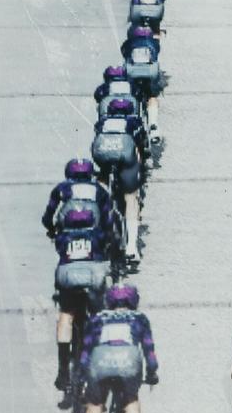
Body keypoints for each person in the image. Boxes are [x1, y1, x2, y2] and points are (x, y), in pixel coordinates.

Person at [79, 284, 159, 413]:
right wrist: (152, 373)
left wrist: (82, 376)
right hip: (128, 362)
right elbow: (149, 350)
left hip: (101, 362)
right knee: (131, 401)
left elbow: (86, 351)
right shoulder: (139, 318)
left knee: (94, 405)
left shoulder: (97, 318)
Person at [52, 209, 111, 390]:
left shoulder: (63, 237)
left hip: (68, 279)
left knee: (66, 315)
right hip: (92, 279)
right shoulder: (97, 234)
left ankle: (63, 370)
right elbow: (108, 245)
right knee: (99, 314)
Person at [91, 101, 147, 262]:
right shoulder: (133, 121)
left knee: (102, 177)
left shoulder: (102, 122)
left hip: (102, 153)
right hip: (124, 153)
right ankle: (131, 247)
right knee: (131, 197)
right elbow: (140, 147)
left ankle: (101, 194)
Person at [42, 158, 114, 238]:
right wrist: (107, 233)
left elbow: (48, 214)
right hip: (93, 232)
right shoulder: (99, 189)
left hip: (66, 232)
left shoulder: (62, 187)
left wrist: (51, 228)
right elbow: (107, 215)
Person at [121, 25, 163, 141]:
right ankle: (153, 125)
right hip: (149, 74)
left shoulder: (129, 43)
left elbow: (124, 53)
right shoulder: (153, 43)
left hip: (132, 74)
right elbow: (156, 54)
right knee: (152, 97)